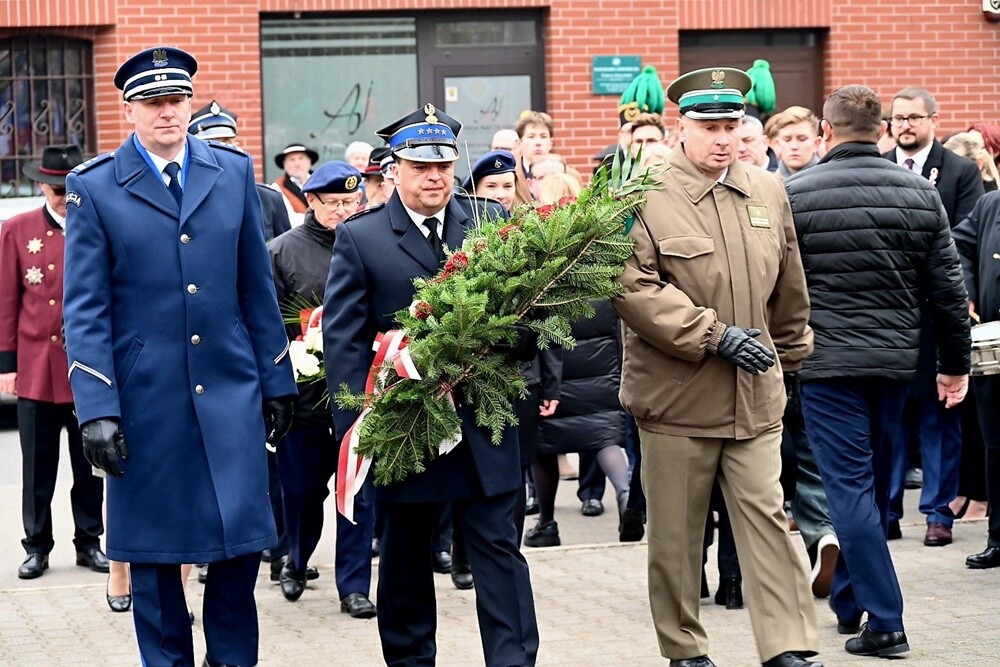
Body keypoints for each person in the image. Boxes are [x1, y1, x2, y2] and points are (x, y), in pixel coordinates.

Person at [62, 46, 296, 667]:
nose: (167, 113)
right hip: (147, 404)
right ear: (130, 110)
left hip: (230, 393)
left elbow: (256, 287)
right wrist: (96, 408)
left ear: (190, 104)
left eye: (176, 101)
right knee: (158, 562)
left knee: (238, 549)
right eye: (153, 103)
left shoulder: (231, 172)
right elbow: (84, 309)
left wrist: (277, 381)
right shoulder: (95, 188)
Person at [613, 66, 820, 667]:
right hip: (677, 399)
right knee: (677, 538)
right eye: (709, 126)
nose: (723, 138)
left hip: (756, 396)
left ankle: (789, 646)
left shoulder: (767, 189)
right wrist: (714, 334)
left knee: (770, 524)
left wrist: (790, 355)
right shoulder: (642, 192)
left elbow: (789, 286)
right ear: (683, 127)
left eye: (732, 125)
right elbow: (630, 288)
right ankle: (684, 650)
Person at [323, 103, 538, 667]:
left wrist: (509, 343)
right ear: (395, 170)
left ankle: (513, 660)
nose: (435, 176)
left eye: (443, 165)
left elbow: (530, 316)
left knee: (498, 553)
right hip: (406, 427)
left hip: (484, 420)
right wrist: (358, 431)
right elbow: (345, 344)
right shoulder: (362, 238)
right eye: (420, 166)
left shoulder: (489, 222)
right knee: (407, 561)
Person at [785, 84, 971, 658]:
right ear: (883, 130)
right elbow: (947, 290)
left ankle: (886, 621)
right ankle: (850, 604)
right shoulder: (919, 194)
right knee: (872, 490)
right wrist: (954, 366)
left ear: (826, 131)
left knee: (849, 493)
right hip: (895, 366)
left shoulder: (795, 194)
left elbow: (776, 287)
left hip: (827, 366)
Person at [267, 160, 376, 616]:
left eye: (354, 202)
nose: (346, 211)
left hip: (362, 396)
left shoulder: (373, 242)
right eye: (335, 204)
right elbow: (268, 324)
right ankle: (295, 557)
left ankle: (354, 585)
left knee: (359, 491)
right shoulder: (281, 251)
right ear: (310, 202)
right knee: (302, 491)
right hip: (306, 399)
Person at [0, 143, 108, 580]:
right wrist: (7, 365)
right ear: (42, 185)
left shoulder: (97, 226)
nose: (63, 195)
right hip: (37, 367)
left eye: (69, 187)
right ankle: (36, 545)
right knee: (36, 467)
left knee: (90, 465)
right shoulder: (17, 229)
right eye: (55, 187)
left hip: (86, 369)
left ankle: (90, 542)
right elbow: (6, 302)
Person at [882, 86, 984, 546]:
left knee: (939, 418)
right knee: (889, 419)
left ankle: (938, 512)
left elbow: (961, 240)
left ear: (933, 120)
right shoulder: (880, 165)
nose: (905, 125)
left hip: (936, 314)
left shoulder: (961, 172)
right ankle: (885, 510)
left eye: (914, 118)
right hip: (888, 316)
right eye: (898, 118)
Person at [953, 190, 1000, 568]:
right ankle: (998, 537)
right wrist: (967, 290)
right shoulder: (990, 204)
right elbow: (958, 244)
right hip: (993, 344)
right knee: (996, 443)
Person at [188, 100, 292, 241]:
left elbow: (284, 255)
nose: (220, 151)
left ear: (236, 145)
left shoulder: (269, 200)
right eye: (211, 143)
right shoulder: (185, 201)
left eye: (226, 142)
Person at [765, 107, 823, 178]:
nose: (794, 146)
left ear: (816, 143)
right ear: (778, 144)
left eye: (802, 139)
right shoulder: (767, 182)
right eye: (787, 140)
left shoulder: (829, 180)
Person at [273, 142, 319, 227]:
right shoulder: (277, 187)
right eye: (292, 159)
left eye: (301, 158)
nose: (297, 164)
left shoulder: (321, 181)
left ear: (310, 162)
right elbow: (288, 218)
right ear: (284, 164)